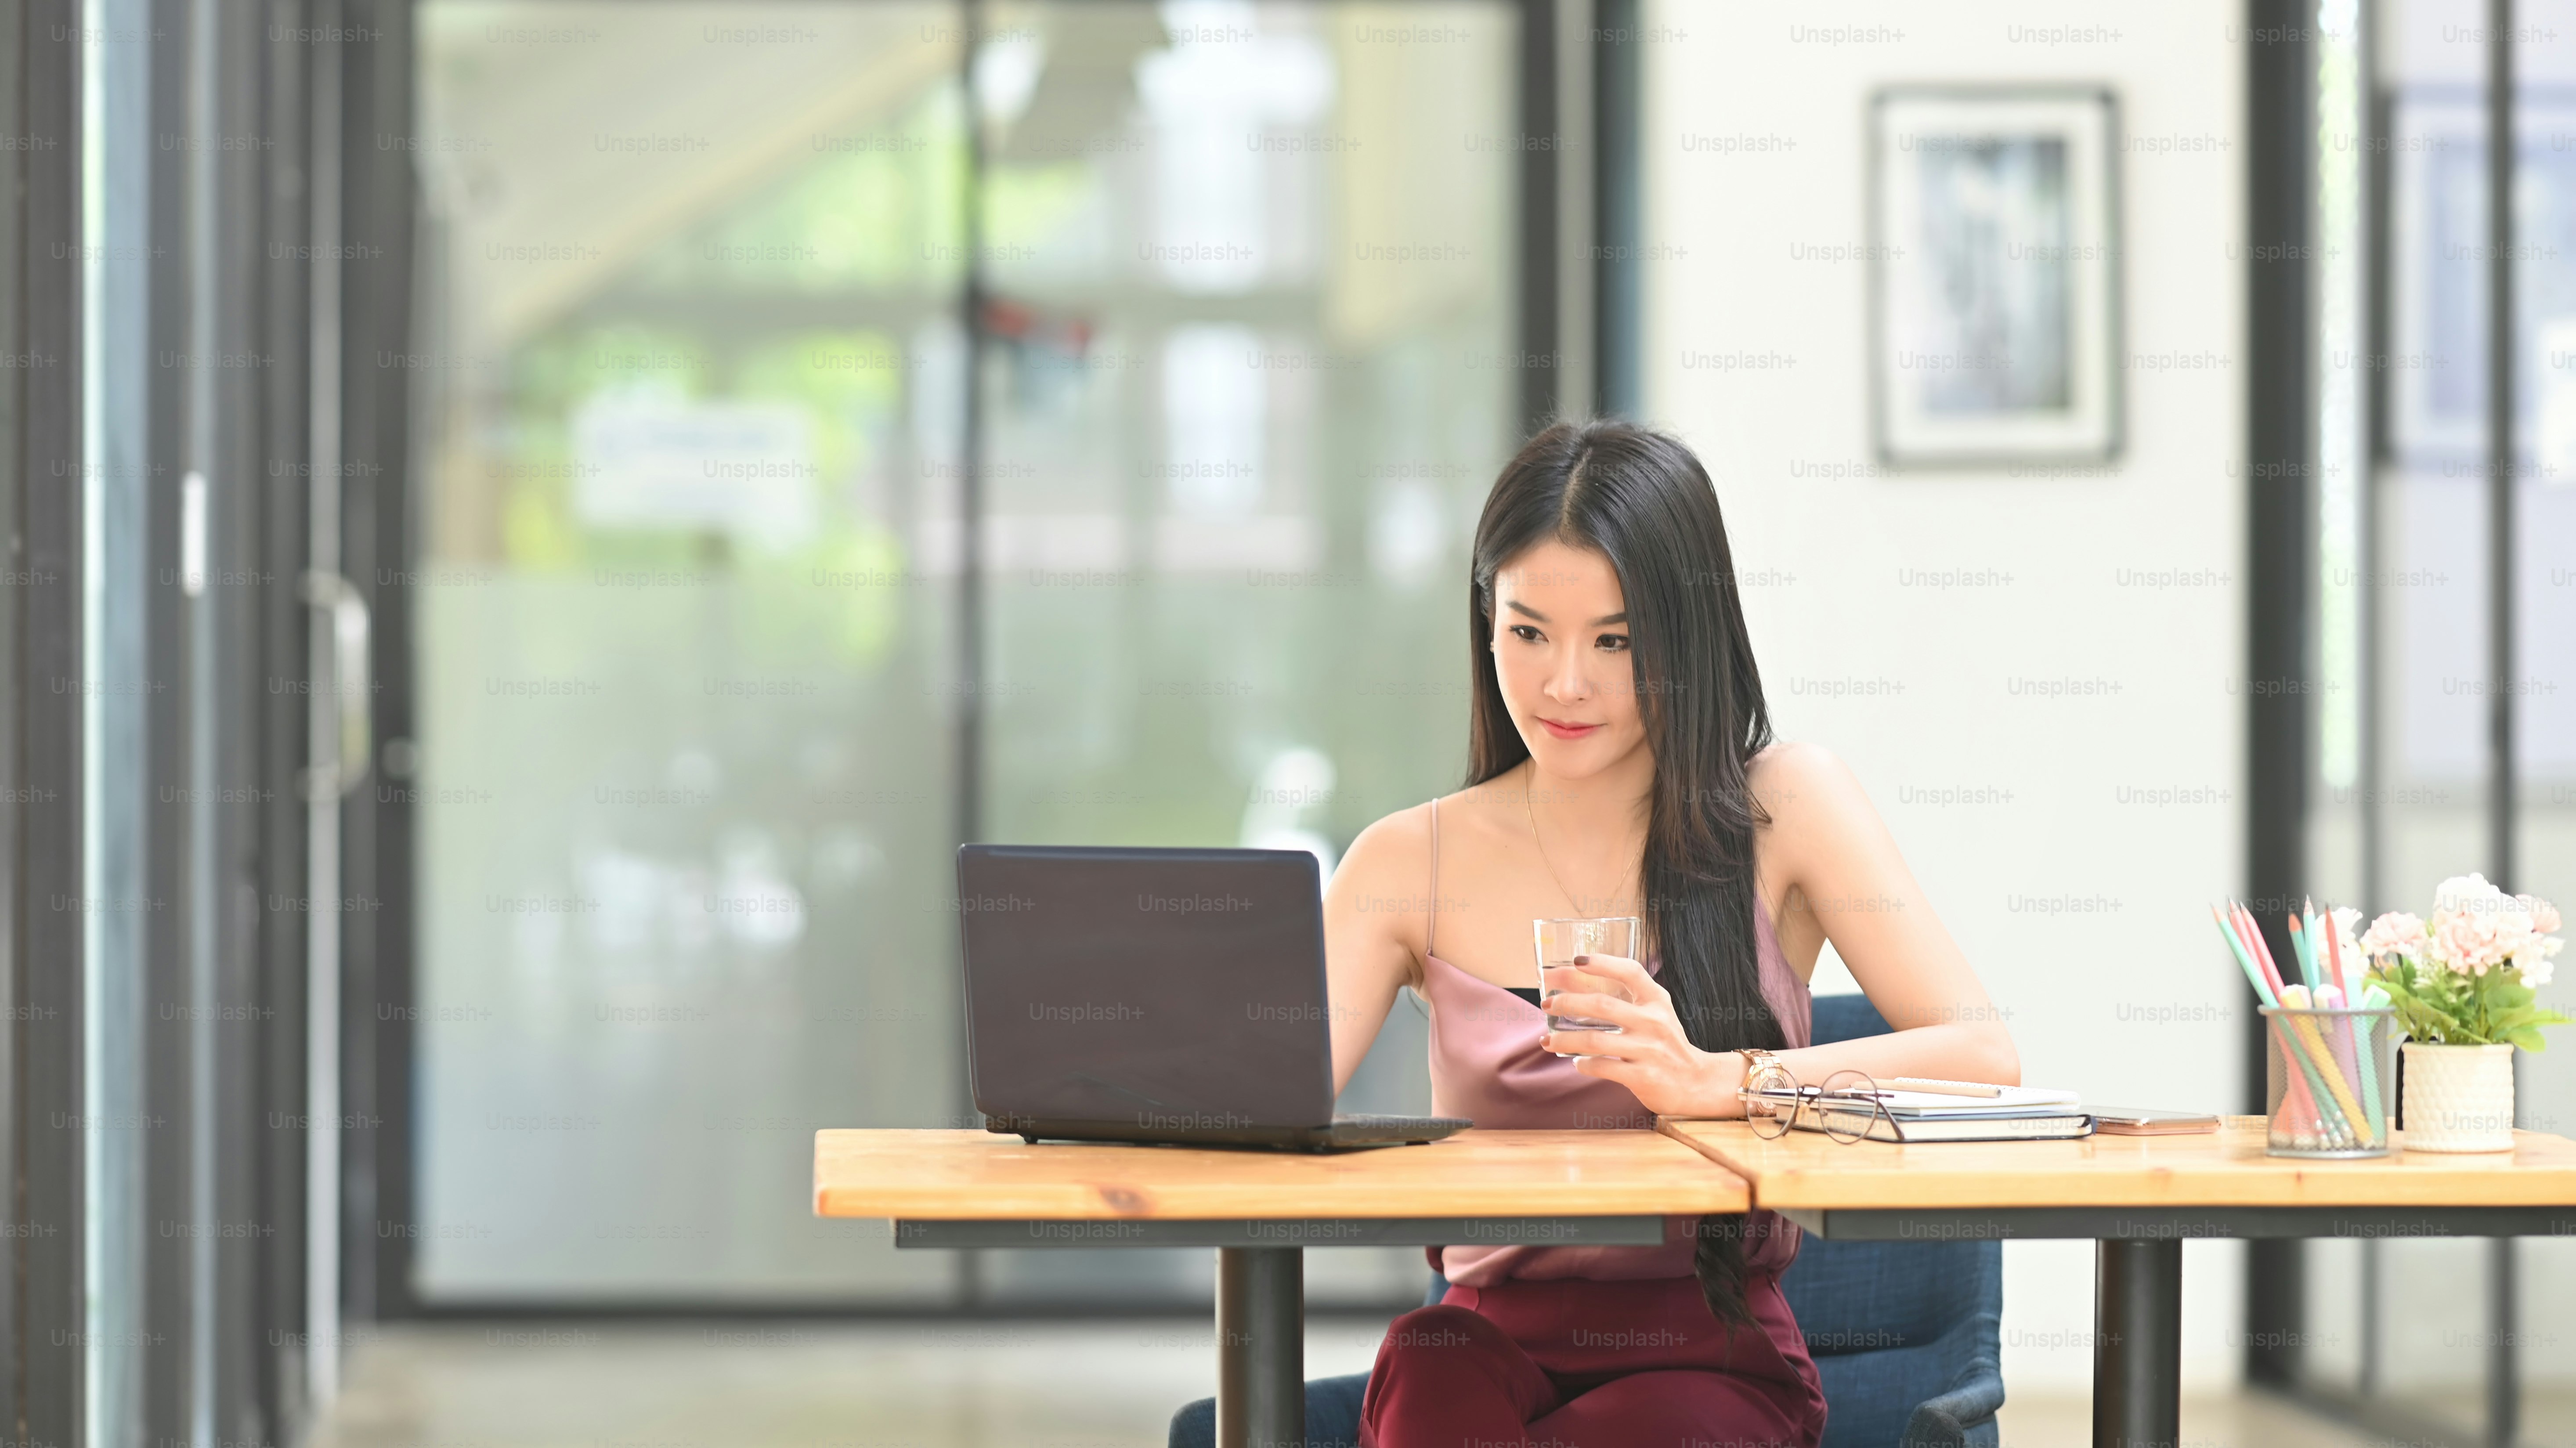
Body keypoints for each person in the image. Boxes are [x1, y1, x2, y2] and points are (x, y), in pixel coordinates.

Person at [1322, 419, 2019, 1448]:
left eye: (1615, 639)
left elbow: (1982, 1058)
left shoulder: (1783, 805)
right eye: (1526, 631)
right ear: (1485, 623)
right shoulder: (1403, 859)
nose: (1564, 682)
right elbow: (1264, 1109)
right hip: (1476, 1338)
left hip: (1709, 1349)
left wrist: (1723, 1081)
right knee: (1434, 1387)